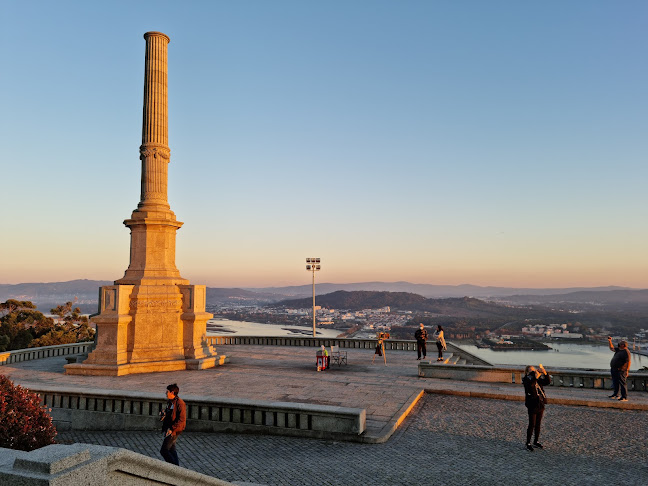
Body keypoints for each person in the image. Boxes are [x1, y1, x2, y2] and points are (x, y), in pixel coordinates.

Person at [522, 364, 550, 451]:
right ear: (527, 372)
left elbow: (547, 382)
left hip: (540, 403)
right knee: (532, 424)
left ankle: (536, 441)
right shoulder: (526, 379)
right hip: (532, 404)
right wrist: (535, 376)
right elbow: (530, 386)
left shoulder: (537, 379)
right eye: (531, 371)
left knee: (538, 424)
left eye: (534, 370)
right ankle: (528, 443)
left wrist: (545, 373)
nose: (533, 372)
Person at [160, 383, 186, 466]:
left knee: (164, 450)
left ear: (172, 392)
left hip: (174, 430)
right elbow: (170, 413)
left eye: (167, 392)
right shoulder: (170, 402)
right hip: (169, 428)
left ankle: (174, 469)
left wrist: (171, 429)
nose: (165, 393)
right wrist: (164, 413)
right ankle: (177, 468)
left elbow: (181, 419)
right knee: (171, 449)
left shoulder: (180, 403)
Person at [607, 337, 631, 402]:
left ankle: (624, 397)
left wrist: (627, 371)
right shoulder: (619, 350)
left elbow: (628, 362)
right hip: (614, 369)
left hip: (621, 370)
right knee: (615, 382)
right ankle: (616, 394)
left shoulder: (626, 352)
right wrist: (610, 341)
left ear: (623, 345)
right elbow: (611, 348)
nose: (618, 344)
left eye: (620, 343)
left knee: (622, 383)